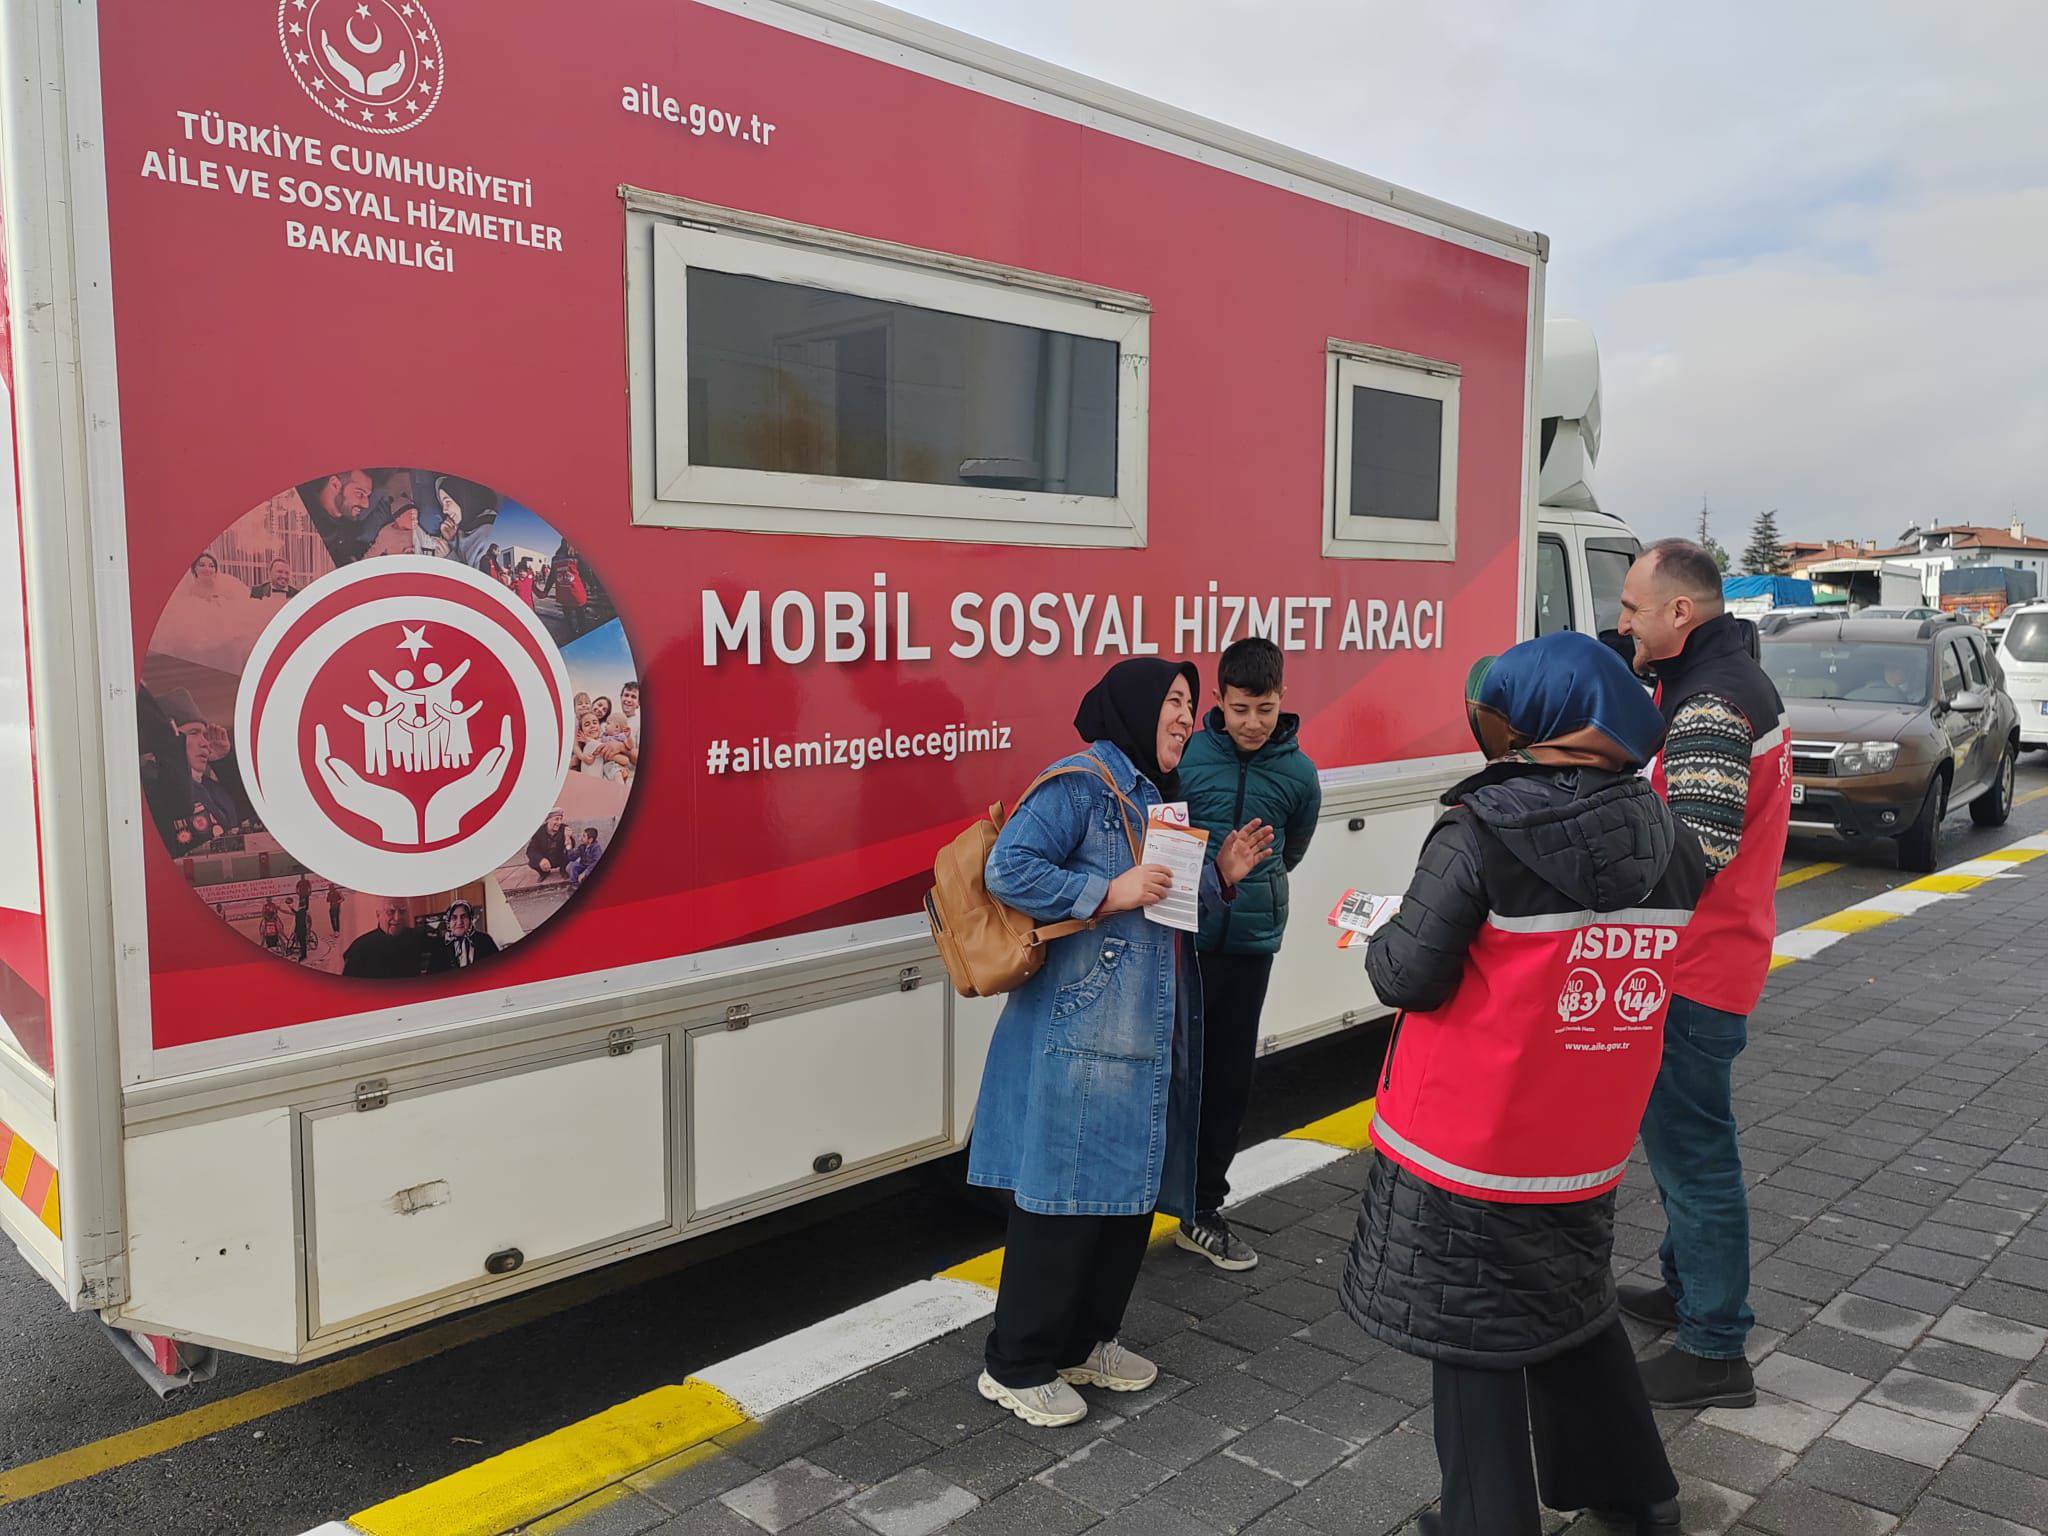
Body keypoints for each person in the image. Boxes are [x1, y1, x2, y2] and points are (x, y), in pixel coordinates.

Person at [1341, 632, 1708, 1536]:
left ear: (1532, 720)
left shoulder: (1482, 827)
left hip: (1468, 1136)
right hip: (1582, 1136)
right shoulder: (1668, 835)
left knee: (1468, 1336)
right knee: (1570, 1308)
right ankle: (1635, 1496)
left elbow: (1409, 976)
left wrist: (1381, 931)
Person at [968, 657, 1274, 1429]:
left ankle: (1085, 1340)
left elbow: (1164, 905)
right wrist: (1105, 891)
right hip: (1081, 1033)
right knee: (1062, 1202)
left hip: (1141, 1031)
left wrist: (1222, 878)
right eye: (1173, 701)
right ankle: (1016, 1363)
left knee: (1124, 1195)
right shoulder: (1080, 783)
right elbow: (1011, 869)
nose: (1184, 716)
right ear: (1134, 707)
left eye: (1188, 703)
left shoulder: (1156, 800)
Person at [1613, 539, 1791, 1410]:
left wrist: (1596, 872)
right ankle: (1686, 1291)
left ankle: (1716, 1347)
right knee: (1688, 1143)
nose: (1623, 623)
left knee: (1694, 1156)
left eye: (1633, 609)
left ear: (1681, 613)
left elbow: (1697, 852)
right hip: (1718, 957)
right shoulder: (1726, 680)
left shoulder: (1711, 705)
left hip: (1694, 970)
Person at [1174, 636, 1321, 1269]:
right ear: (1219, 701)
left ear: (1282, 699)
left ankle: (1203, 1209)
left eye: (1264, 708)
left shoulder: (1299, 774)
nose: (1252, 723)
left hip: (1250, 948)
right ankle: (1144, 1201)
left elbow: (1290, 851)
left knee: (1229, 1080)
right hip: (1183, 942)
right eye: (1239, 709)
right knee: (1172, 1075)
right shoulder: (1187, 757)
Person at [342, 899, 426, 978]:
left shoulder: (418, 938)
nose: (397, 917)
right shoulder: (360, 947)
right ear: (378, 915)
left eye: (402, 911)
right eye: (390, 912)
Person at [427, 899, 501, 971]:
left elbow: (498, 970)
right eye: (454, 918)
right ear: (448, 922)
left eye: (464, 917)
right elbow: (431, 978)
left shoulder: (485, 940)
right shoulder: (439, 945)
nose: (459, 922)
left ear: (470, 920)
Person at [526, 809, 570, 880]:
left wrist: (568, 838)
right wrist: (540, 859)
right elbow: (530, 850)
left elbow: (570, 847)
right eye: (556, 819)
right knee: (532, 862)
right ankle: (544, 873)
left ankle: (563, 870)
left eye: (561, 819)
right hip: (546, 859)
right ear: (547, 820)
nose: (559, 822)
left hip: (559, 857)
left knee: (569, 854)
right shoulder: (539, 832)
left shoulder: (564, 828)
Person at [291, 894, 312, 961]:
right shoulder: (304, 912)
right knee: (302, 942)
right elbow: (309, 921)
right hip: (302, 929)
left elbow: (295, 912)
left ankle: (304, 955)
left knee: (302, 942)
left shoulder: (300, 912)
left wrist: (290, 908)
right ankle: (303, 954)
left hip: (299, 929)